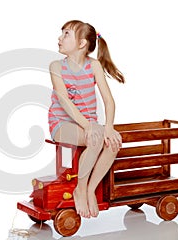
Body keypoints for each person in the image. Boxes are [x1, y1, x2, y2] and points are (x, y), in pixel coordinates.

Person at [48, 20, 124, 218]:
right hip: (62, 123)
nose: (59, 38)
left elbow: (109, 101)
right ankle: (80, 189)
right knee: (95, 137)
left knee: (113, 142)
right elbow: (65, 103)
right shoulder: (56, 66)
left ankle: (90, 189)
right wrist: (90, 127)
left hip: (89, 124)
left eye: (66, 34)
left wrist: (108, 127)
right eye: (61, 33)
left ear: (81, 44)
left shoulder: (94, 66)